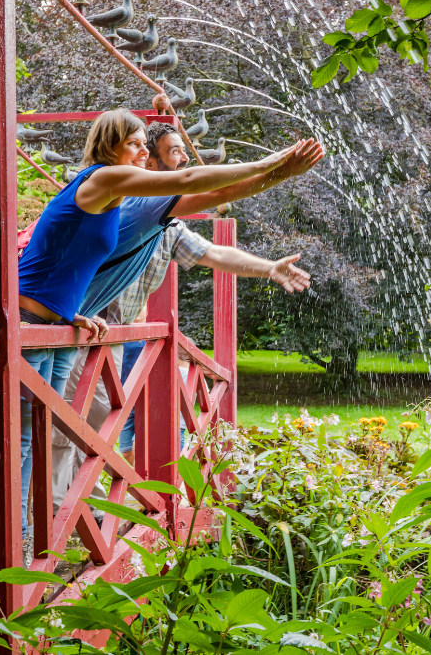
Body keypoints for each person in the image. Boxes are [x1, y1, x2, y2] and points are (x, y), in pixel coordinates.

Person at [16, 109, 304, 545]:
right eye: (140, 145)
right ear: (113, 146)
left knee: (50, 432)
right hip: (41, 325)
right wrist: (270, 162)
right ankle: (36, 533)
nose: (153, 154)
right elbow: (195, 186)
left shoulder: (141, 213)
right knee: (43, 435)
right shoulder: (111, 186)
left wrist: (271, 251)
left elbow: (213, 230)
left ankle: (53, 529)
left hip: (64, 323)